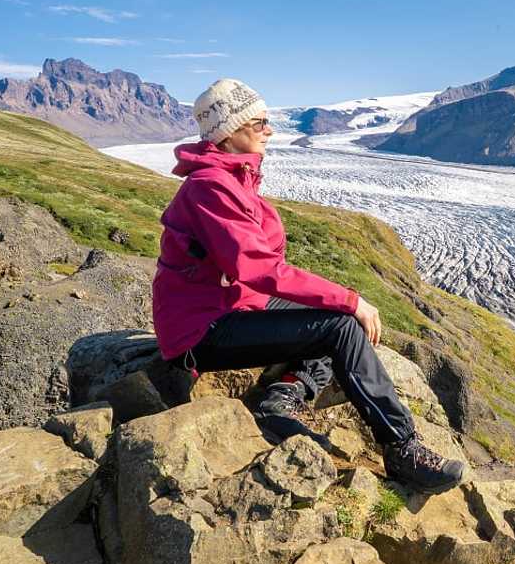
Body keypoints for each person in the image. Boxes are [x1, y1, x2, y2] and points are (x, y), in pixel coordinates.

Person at [151, 78, 464, 493]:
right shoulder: (211, 187)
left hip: (234, 306)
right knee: (340, 324)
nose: (270, 130)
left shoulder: (236, 179)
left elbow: (259, 271)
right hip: (200, 330)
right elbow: (259, 268)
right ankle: (402, 448)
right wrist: (352, 300)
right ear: (230, 130)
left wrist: (341, 302)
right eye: (260, 122)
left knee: (333, 316)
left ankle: (284, 394)